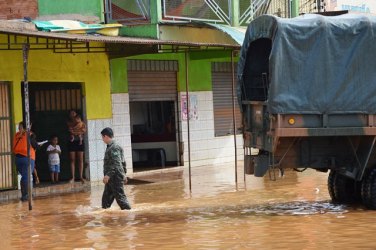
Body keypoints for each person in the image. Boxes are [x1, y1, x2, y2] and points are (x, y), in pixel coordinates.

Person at [101, 127, 131, 210]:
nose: (102, 139)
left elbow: (117, 163)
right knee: (105, 202)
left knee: (121, 200)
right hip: (111, 178)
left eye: (102, 137)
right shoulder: (112, 146)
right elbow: (122, 162)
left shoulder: (114, 147)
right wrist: (124, 174)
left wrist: (108, 175)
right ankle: (107, 220)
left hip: (115, 177)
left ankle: (130, 215)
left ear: (106, 136)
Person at [13, 121, 38, 201]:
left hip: (18, 159)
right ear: (28, 126)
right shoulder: (30, 134)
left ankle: (27, 193)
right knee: (26, 176)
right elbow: (35, 145)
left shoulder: (16, 135)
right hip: (27, 158)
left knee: (24, 175)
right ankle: (25, 195)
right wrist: (38, 145)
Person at [67, 110, 86, 183]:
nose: (73, 114)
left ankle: (81, 177)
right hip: (72, 142)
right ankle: (73, 177)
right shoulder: (69, 123)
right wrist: (78, 132)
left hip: (79, 142)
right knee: (72, 160)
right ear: (69, 115)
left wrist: (76, 132)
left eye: (74, 113)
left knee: (80, 159)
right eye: (71, 113)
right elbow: (70, 131)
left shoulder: (82, 123)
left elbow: (84, 131)